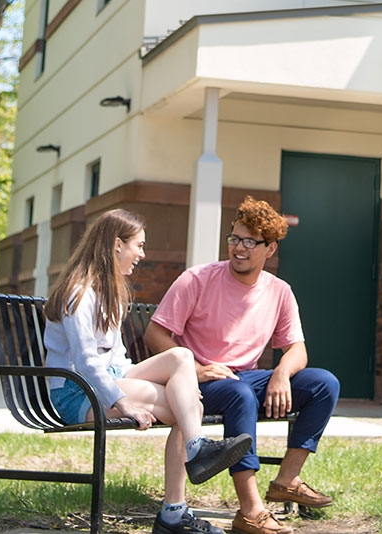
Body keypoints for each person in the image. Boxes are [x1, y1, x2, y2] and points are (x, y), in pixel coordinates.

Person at [44, 208, 252, 534]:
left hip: (108, 379)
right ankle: (174, 510)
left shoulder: (110, 291)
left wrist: (168, 381)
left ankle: (192, 459)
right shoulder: (79, 294)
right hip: (77, 392)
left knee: (181, 358)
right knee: (190, 410)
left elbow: (118, 357)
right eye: (137, 246)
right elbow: (85, 361)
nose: (142, 254)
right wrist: (123, 401)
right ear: (116, 245)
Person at [144, 196, 341, 534]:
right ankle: (250, 511)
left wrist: (281, 373)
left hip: (245, 378)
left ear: (270, 249)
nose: (239, 248)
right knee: (239, 394)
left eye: (250, 242)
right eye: (234, 238)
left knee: (323, 383)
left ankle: (287, 479)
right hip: (202, 382)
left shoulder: (279, 291)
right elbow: (155, 333)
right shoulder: (198, 279)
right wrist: (193, 370)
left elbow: (297, 349)